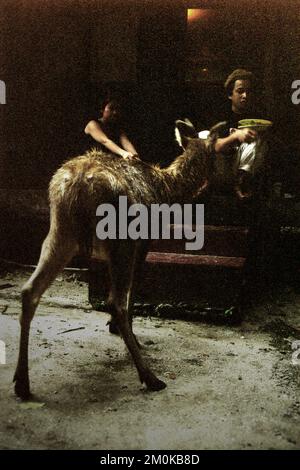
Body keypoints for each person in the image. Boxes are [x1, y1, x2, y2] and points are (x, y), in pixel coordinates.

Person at [212, 69, 270, 199]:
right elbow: (213, 147)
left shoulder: (258, 118)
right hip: (223, 167)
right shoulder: (220, 117)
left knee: (259, 139)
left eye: (249, 92)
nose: (245, 96)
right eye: (240, 91)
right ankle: (239, 182)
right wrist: (235, 136)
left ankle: (242, 181)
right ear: (230, 94)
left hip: (248, 169)